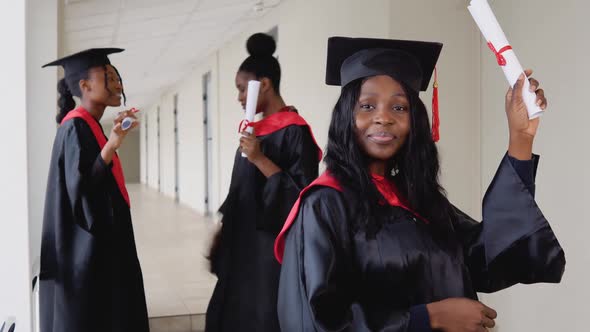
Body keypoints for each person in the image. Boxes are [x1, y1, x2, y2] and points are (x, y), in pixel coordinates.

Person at [274, 37, 565, 332]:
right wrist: (430, 317)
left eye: (399, 108)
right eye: (367, 105)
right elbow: (315, 318)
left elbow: (492, 257)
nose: (383, 118)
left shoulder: (419, 200)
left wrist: (521, 138)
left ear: (416, 121)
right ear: (346, 116)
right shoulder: (325, 203)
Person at [205, 32, 322, 332]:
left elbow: (303, 199)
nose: (240, 97)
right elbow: (241, 189)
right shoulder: (255, 131)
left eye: (243, 89)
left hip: (268, 254)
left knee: (261, 317)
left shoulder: (295, 132)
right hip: (241, 246)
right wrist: (223, 231)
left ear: (264, 85)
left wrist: (259, 158)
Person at [40, 48, 149, 332]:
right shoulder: (75, 126)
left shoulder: (88, 126)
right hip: (88, 254)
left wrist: (111, 140)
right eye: (108, 77)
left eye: (117, 77)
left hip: (101, 247)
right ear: (85, 86)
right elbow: (83, 190)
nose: (118, 84)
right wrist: (112, 144)